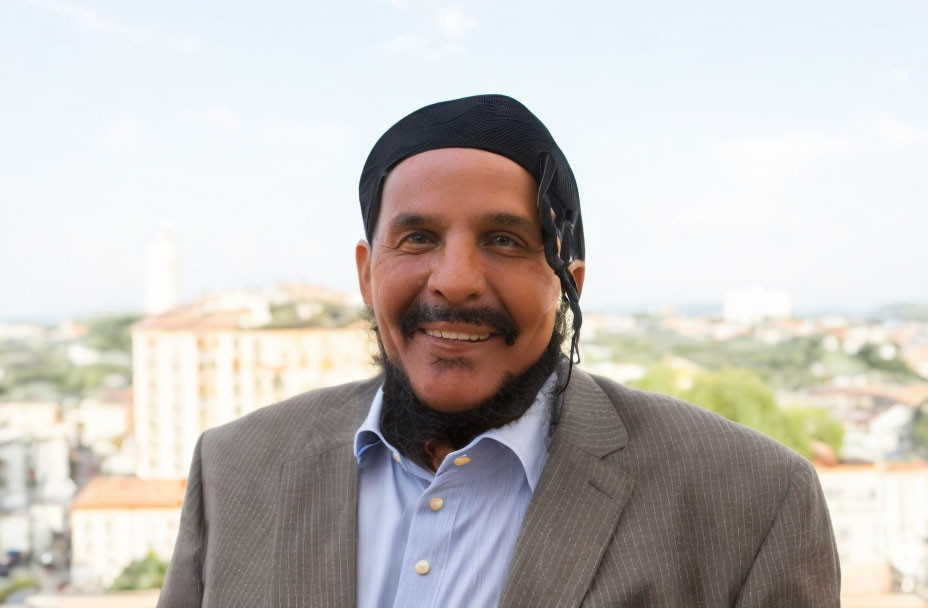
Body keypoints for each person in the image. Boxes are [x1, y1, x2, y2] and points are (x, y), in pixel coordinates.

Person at [158, 95, 840, 607]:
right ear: (367, 274)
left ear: (566, 285)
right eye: (418, 237)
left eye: (505, 241)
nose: (454, 280)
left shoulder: (751, 501)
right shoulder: (235, 471)